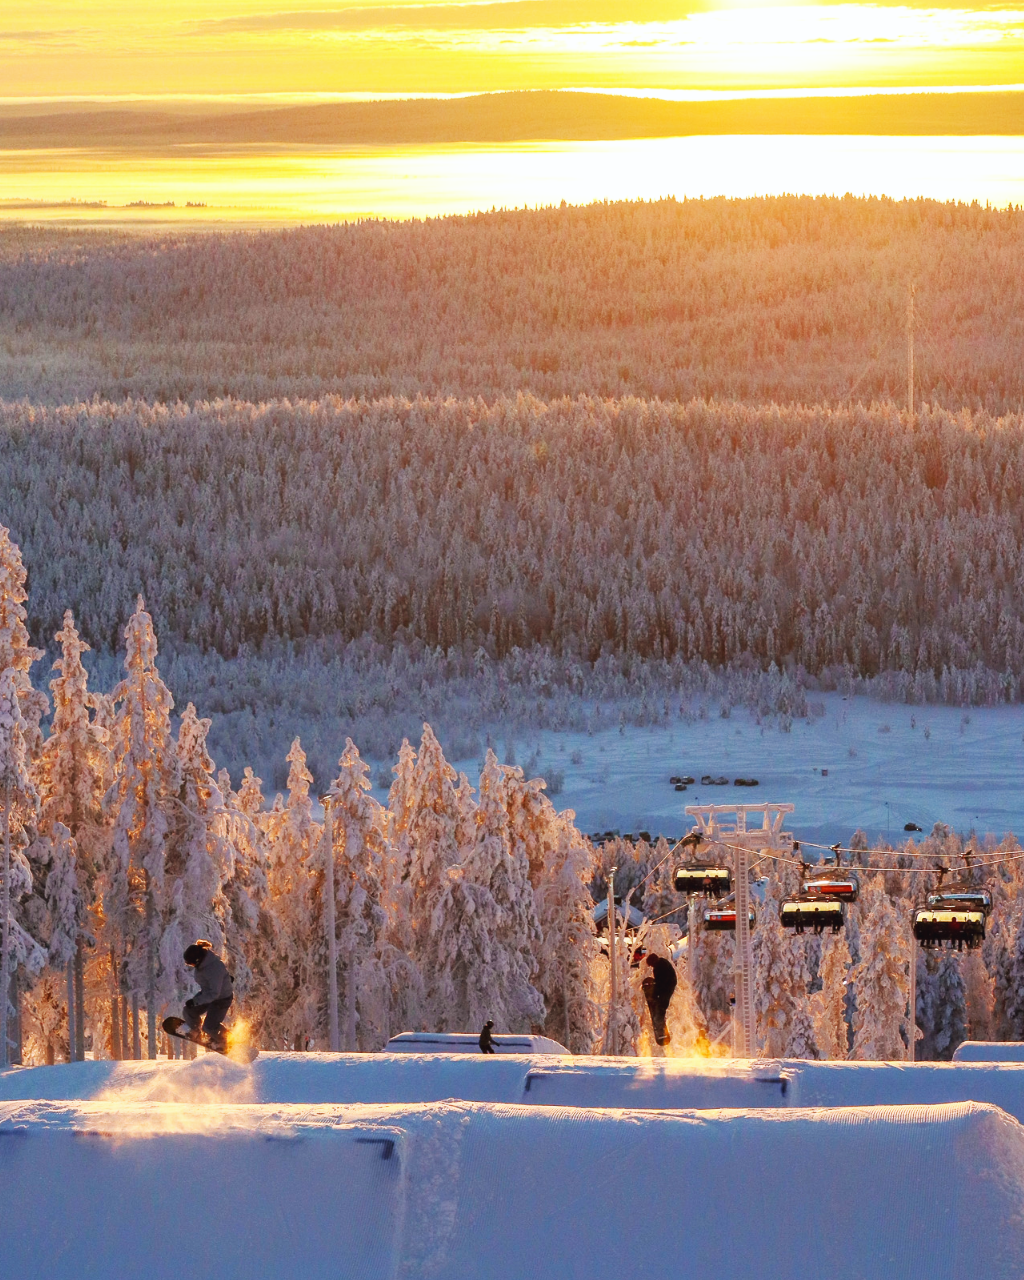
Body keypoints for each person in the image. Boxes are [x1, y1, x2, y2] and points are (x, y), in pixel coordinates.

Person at [181, 940, 234, 1049]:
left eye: (191, 963)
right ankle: (195, 1031)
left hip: (221, 999)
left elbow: (214, 992)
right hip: (209, 994)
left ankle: (228, 1041)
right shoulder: (204, 964)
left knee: (209, 1027)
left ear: (197, 959)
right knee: (189, 1011)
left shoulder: (212, 968)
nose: (192, 966)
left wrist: (196, 1001)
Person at [641, 952, 678, 1047]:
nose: (651, 967)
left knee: (661, 1005)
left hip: (667, 987)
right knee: (662, 1003)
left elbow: (661, 982)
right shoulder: (662, 963)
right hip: (669, 985)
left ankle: (659, 1020)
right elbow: (660, 981)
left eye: (651, 964)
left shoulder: (659, 967)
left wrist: (654, 994)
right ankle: (660, 1018)